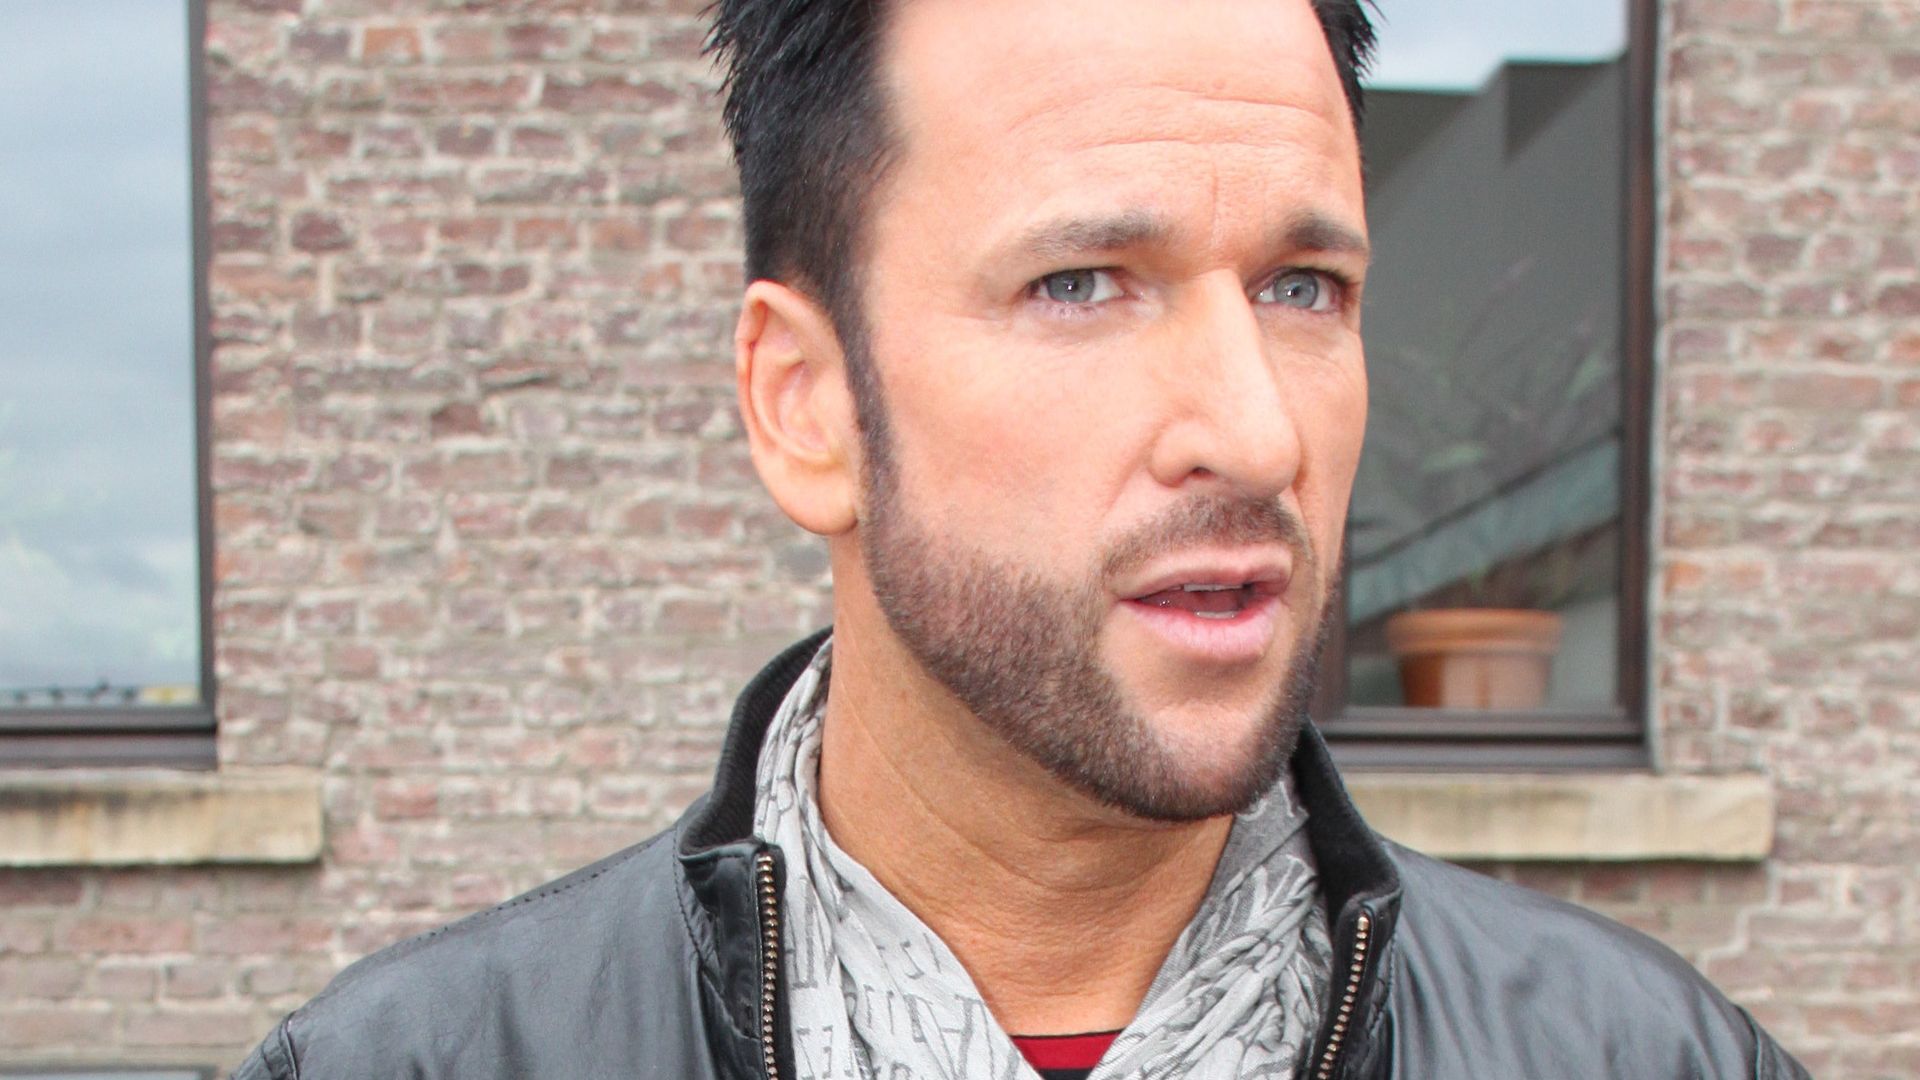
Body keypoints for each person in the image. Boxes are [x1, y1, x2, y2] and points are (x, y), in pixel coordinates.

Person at [235, 1, 1810, 1077]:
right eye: (1081, 285)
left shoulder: (1649, 1056)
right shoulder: (417, 1061)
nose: (1256, 431)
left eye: (1301, 288)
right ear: (807, 404)